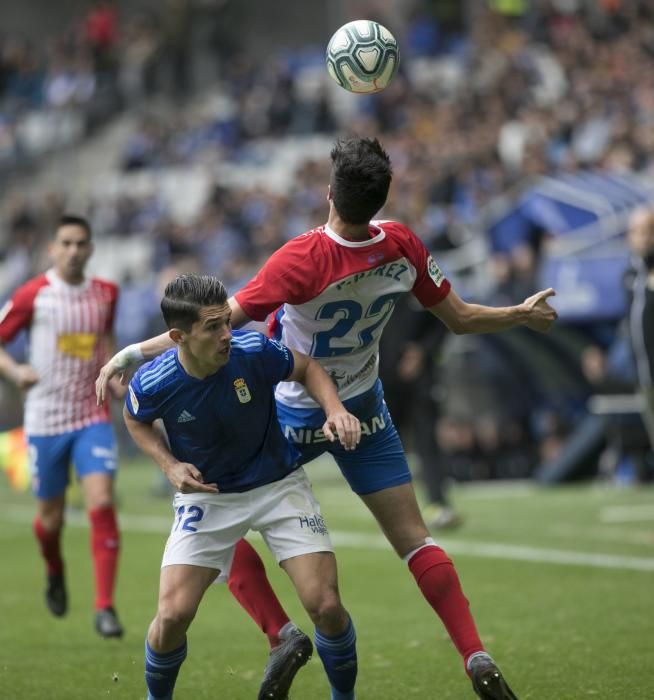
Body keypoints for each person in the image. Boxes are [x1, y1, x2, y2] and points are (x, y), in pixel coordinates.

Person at [98, 136, 558, 699]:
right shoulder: (403, 245)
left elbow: (217, 320)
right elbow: (460, 319)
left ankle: (278, 634)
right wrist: (518, 311)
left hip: (290, 415)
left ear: (329, 196)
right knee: (415, 539)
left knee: (219, 497)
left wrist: (132, 354)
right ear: (381, 199)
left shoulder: (302, 258)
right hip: (362, 410)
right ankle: (474, 653)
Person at [122, 273, 361, 700]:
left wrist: (335, 409)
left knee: (325, 606)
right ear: (179, 336)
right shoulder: (153, 382)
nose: (227, 334)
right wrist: (170, 465)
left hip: (278, 484)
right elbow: (135, 420)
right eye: (213, 327)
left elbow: (305, 367)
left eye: (226, 322)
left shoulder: (252, 350)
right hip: (210, 498)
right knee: (172, 616)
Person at [0, 214, 124, 637]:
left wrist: (116, 376)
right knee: (50, 519)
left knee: (101, 499)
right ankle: (54, 568)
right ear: (53, 249)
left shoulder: (107, 293)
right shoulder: (33, 294)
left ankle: (105, 607)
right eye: (66, 243)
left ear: (90, 249)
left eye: (81, 243)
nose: (74, 251)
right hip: (45, 421)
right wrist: (16, 373)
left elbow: (105, 341)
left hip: (91, 416)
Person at [378, 292, 462, 528]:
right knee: (387, 445)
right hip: (383, 379)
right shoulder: (373, 282)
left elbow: (445, 321)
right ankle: (391, 508)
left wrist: (422, 352)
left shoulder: (421, 278)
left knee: (428, 441)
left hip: (421, 380)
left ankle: (438, 502)